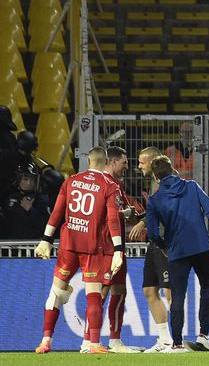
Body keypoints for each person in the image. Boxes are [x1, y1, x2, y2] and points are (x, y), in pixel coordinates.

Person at [33, 147, 124, 354]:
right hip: (92, 246)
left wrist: (46, 239)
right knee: (94, 295)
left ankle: (46, 340)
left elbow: (57, 212)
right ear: (106, 161)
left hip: (68, 244)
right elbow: (112, 219)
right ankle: (92, 344)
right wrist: (118, 249)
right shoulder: (109, 185)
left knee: (56, 293)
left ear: (89, 160)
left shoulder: (71, 180)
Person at [146, 155, 209, 353]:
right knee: (206, 287)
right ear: (173, 169)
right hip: (202, 247)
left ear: (155, 175)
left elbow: (152, 233)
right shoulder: (192, 187)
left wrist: (163, 245)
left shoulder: (154, 200)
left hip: (177, 250)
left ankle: (177, 343)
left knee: (178, 295)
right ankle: (203, 336)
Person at [128, 146, 173, 352]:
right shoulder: (154, 183)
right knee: (149, 289)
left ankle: (177, 339)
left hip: (168, 242)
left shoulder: (169, 181)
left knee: (170, 292)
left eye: (141, 162)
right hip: (155, 242)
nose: (139, 166)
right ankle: (164, 340)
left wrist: (142, 223)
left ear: (154, 161)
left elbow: (165, 208)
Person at [96, 147, 140, 353]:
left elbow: (116, 212)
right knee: (101, 291)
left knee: (119, 290)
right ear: (112, 162)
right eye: (124, 162)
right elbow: (101, 215)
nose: (127, 166)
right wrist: (124, 213)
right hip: (104, 245)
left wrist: (128, 213)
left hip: (117, 246)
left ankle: (115, 341)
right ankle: (90, 340)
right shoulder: (100, 183)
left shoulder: (117, 184)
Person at [0, 163, 50, 239]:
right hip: (11, 246)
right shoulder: (10, 198)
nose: (29, 183)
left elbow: (46, 226)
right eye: (25, 179)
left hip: (32, 245)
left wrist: (31, 210)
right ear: (18, 180)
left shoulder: (42, 199)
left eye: (32, 179)